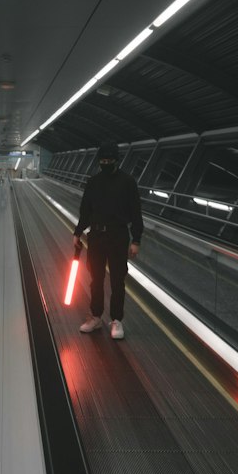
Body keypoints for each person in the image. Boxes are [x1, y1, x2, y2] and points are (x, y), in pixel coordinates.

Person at [73, 140, 142, 340]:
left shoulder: (128, 182)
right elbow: (85, 211)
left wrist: (136, 240)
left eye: (109, 160)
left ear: (116, 161)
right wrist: (77, 233)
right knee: (96, 280)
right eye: (102, 160)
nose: (105, 163)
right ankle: (95, 317)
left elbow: (136, 213)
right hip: (96, 237)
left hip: (119, 236)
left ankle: (116, 320)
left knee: (117, 280)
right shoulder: (93, 182)